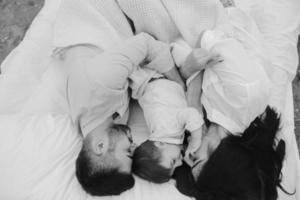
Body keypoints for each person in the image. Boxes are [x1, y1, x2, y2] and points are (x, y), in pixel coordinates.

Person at [54, 32, 184, 196]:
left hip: (95, 25)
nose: (134, 146)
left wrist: (180, 85)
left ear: (100, 146)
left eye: (128, 152)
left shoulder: (99, 84)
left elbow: (146, 43)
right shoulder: (106, 124)